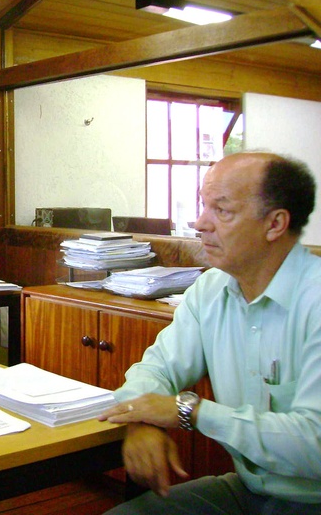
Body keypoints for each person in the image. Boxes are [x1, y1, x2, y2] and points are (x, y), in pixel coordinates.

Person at [99, 151, 321, 514]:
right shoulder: (211, 290)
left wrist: (191, 411)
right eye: (204, 206)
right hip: (249, 490)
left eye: (222, 210)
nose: (199, 223)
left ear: (275, 224)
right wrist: (143, 421)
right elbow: (155, 369)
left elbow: (315, 445)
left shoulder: (315, 300)